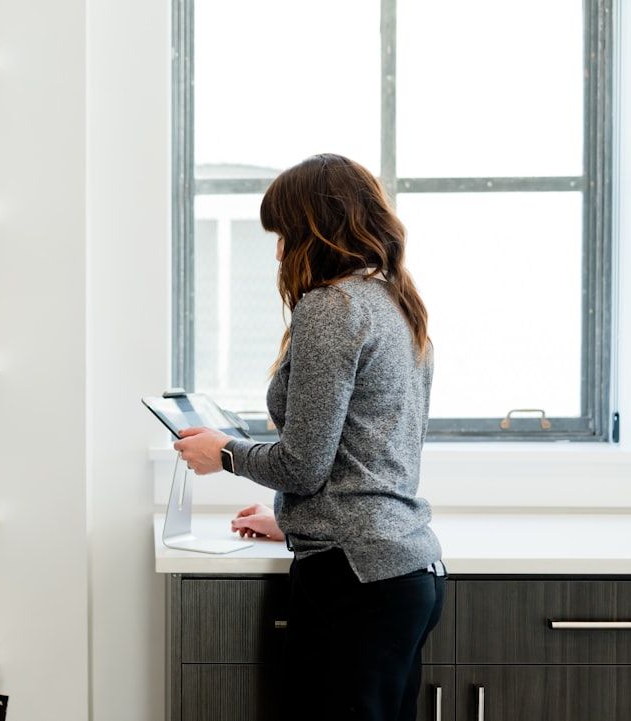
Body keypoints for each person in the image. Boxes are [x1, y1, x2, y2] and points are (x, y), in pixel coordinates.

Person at [173, 153, 446, 721]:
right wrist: (297, 518)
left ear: (315, 231)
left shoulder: (332, 306)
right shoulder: (394, 301)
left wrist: (221, 452)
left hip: (356, 582)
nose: (277, 252)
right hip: (402, 571)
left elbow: (302, 464)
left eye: (282, 234)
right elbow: (369, 453)